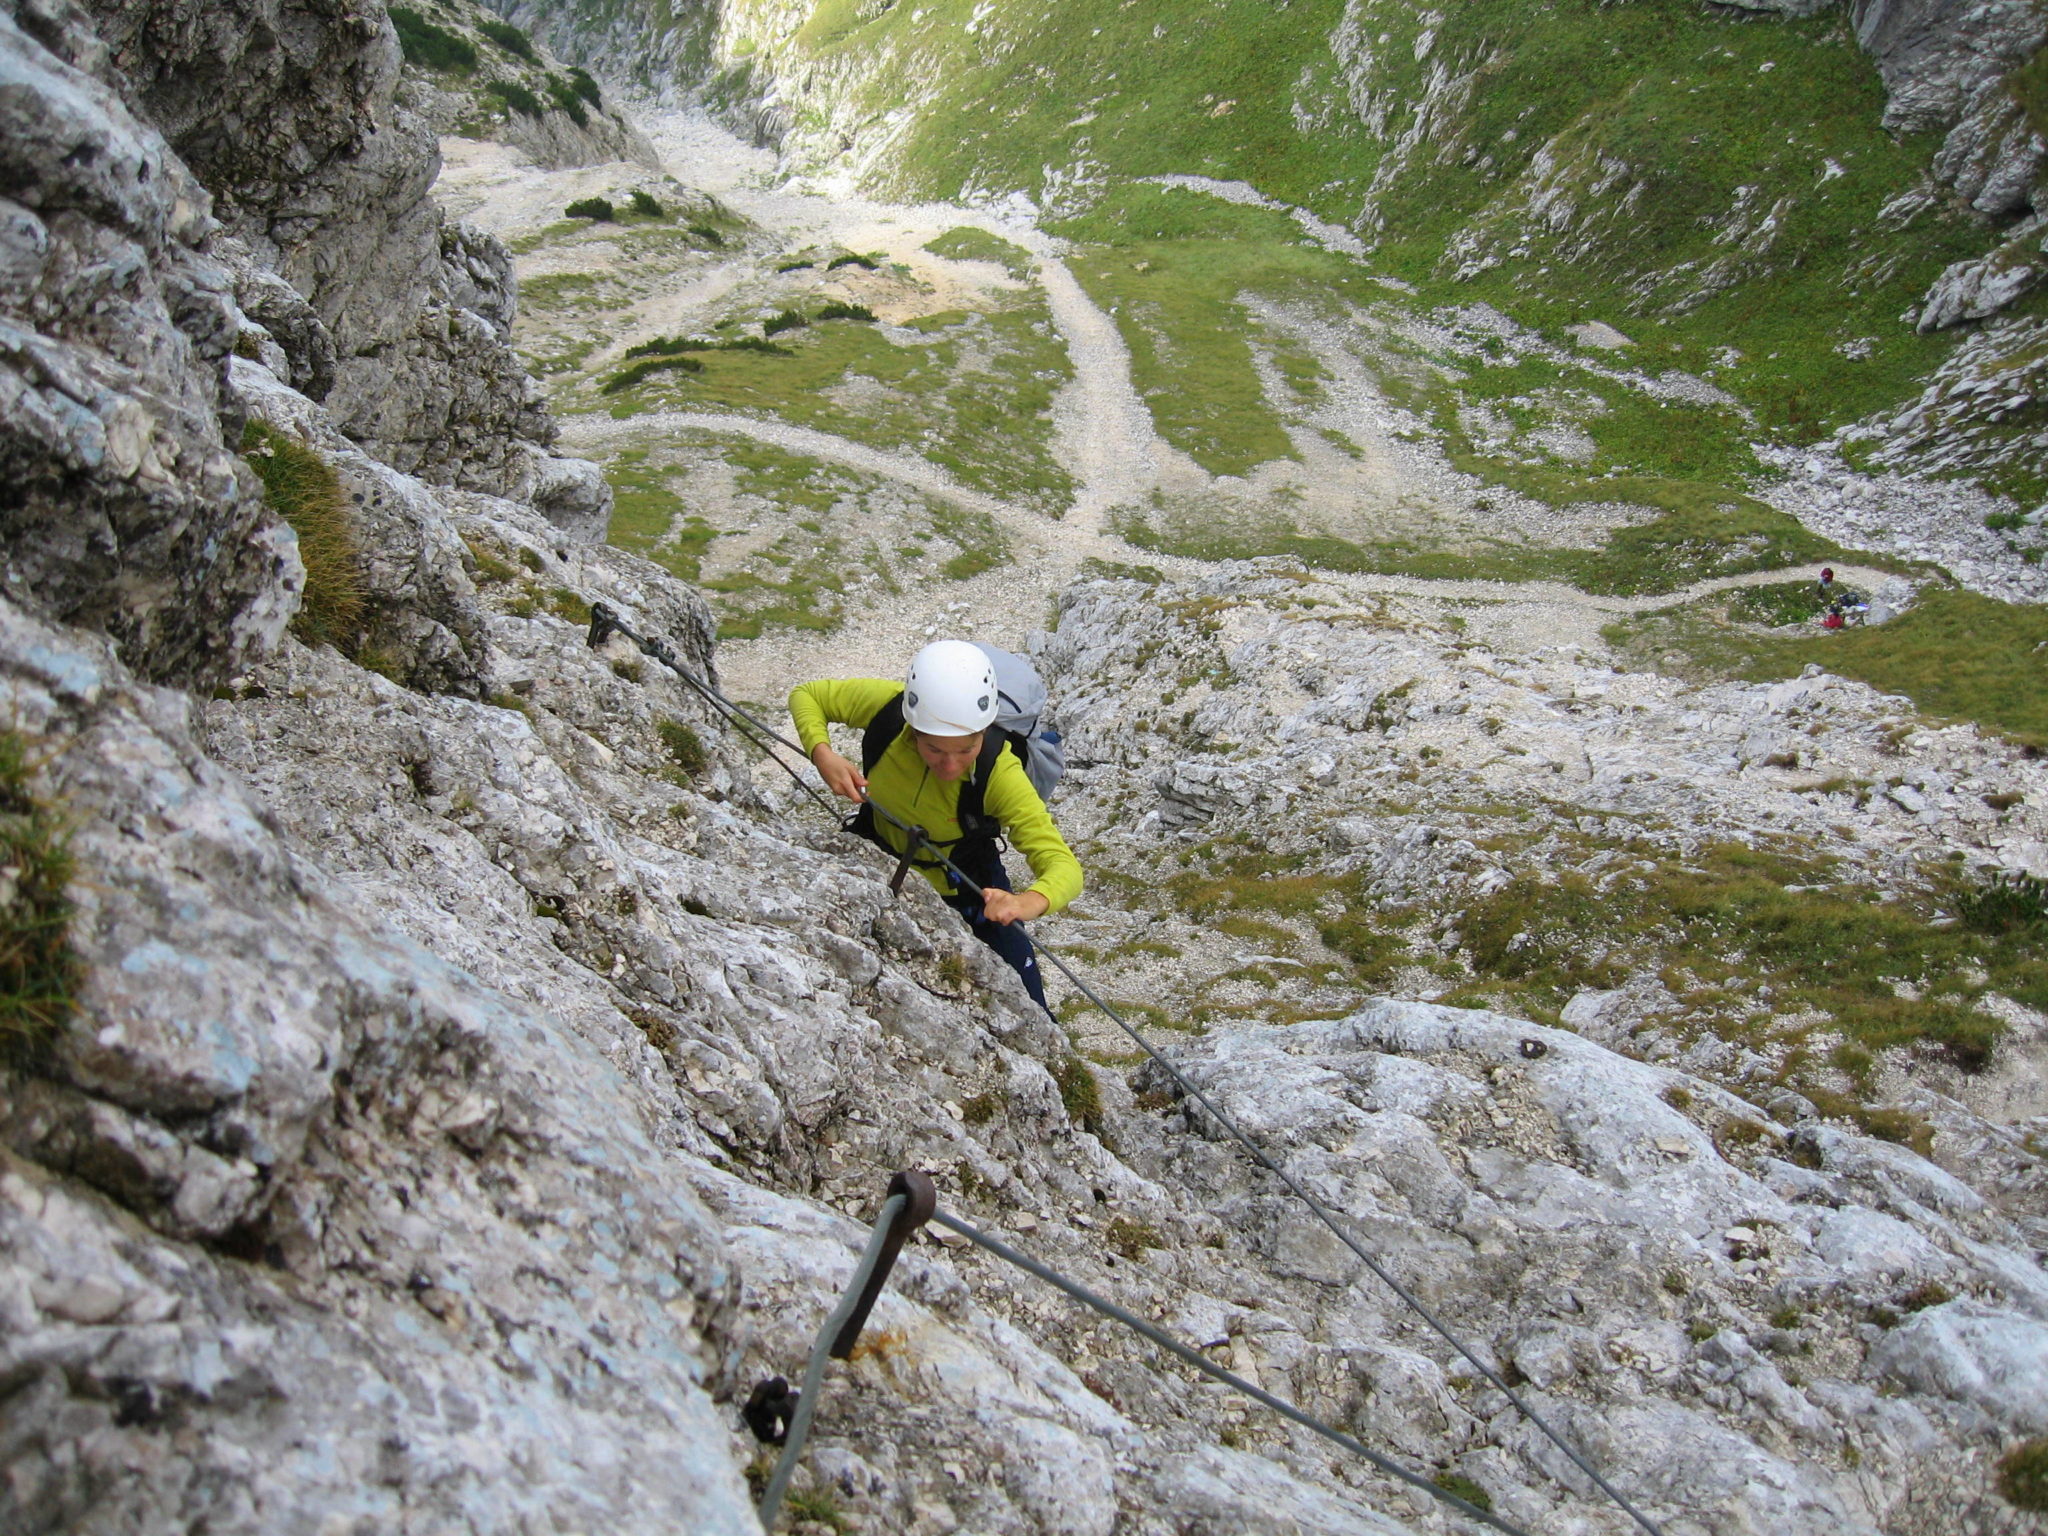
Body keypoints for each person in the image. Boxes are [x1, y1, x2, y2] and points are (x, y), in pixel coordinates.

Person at [789, 640, 1082, 1011]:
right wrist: (822, 753)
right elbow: (808, 695)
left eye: (966, 749)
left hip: (965, 885)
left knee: (1029, 1004)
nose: (950, 766)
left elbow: (1063, 865)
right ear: (913, 729)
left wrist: (1026, 902)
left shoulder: (1000, 772)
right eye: (934, 749)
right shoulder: (890, 712)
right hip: (872, 848)